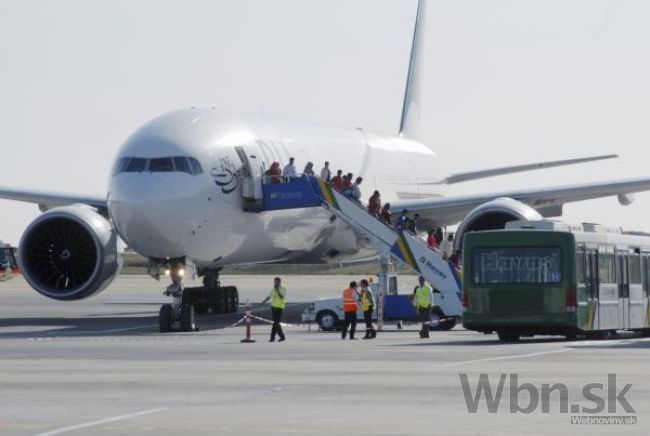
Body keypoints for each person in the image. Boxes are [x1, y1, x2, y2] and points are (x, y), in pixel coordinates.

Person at [260, 277, 287, 342]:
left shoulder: (283, 288)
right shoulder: (273, 289)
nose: (275, 283)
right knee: (276, 323)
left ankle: (272, 337)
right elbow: (270, 296)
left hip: (280, 307)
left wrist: (277, 290)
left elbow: (281, 297)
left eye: (276, 282)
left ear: (280, 282)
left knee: (276, 323)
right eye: (274, 282)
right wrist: (263, 301)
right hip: (273, 307)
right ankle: (282, 337)